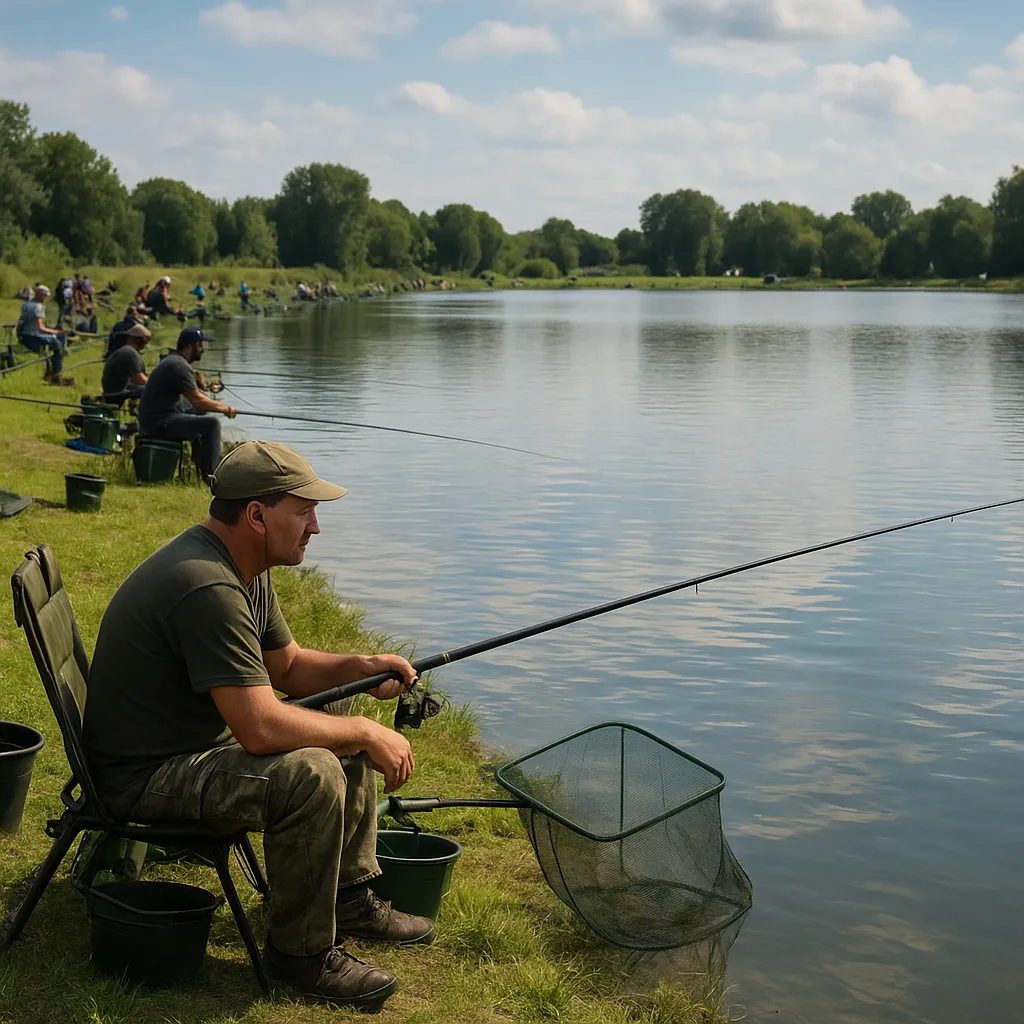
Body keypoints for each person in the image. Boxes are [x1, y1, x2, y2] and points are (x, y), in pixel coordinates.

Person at [83, 441, 431, 1007]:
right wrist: (370, 733)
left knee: (337, 707)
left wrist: (364, 669)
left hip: (186, 746)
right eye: (304, 511)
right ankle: (300, 955)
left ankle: (346, 899)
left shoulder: (241, 566)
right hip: (142, 776)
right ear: (256, 515)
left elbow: (288, 667)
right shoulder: (208, 585)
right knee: (312, 771)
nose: (315, 527)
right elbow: (261, 730)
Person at [137, 327, 237, 484]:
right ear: (189, 347)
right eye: (200, 345)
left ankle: (201, 470)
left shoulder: (173, 361)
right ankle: (213, 478)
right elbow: (197, 400)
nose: (203, 350)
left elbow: (194, 399)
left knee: (198, 414)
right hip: (158, 423)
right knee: (212, 424)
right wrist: (225, 408)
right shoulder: (179, 366)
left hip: (156, 418)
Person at [17, 284, 71, 385]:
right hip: (33, 336)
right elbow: (41, 328)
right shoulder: (38, 307)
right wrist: (59, 332)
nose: (45, 298)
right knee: (58, 346)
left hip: (25, 335)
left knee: (56, 341)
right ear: (39, 294)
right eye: (44, 296)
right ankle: (56, 374)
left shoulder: (26, 304)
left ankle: (51, 371)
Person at [101, 323, 151, 400]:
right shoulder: (131, 354)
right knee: (151, 389)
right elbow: (139, 380)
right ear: (139, 339)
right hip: (116, 394)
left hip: (112, 392)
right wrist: (156, 382)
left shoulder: (127, 350)